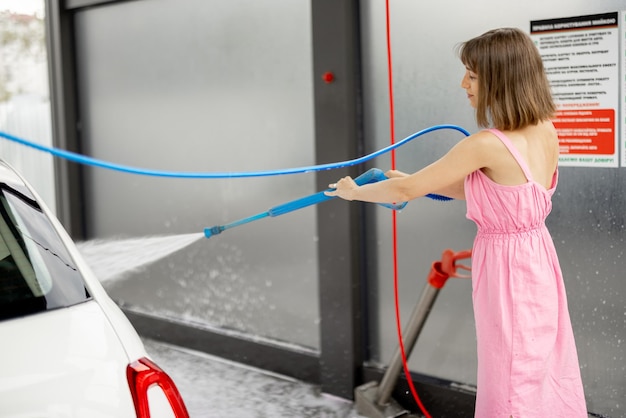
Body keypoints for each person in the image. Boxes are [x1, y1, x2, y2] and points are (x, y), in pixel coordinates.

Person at [325, 28, 587, 417]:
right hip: (537, 261)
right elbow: (505, 196)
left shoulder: (486, 145)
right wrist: (409, 183)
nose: (462, 83)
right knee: (539, 366)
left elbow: (406, 193)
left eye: (473, 75)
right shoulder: (547, 130)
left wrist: (354, 192)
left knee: (511, 376)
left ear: (502, 78)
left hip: (507, 271)